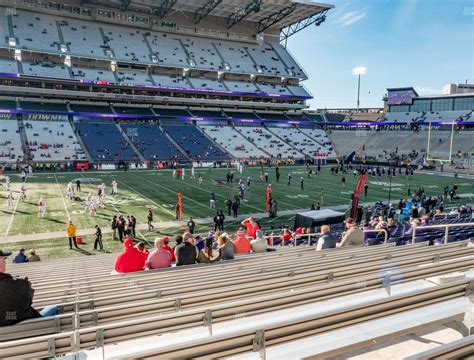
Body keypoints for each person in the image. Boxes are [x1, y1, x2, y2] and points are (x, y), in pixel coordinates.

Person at [0, 249, 61, 327]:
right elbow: (27, 301)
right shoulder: (17, 285)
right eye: (3, 259)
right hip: (31, 326)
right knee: (54, 308)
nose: (5, 262)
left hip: (7, 334)